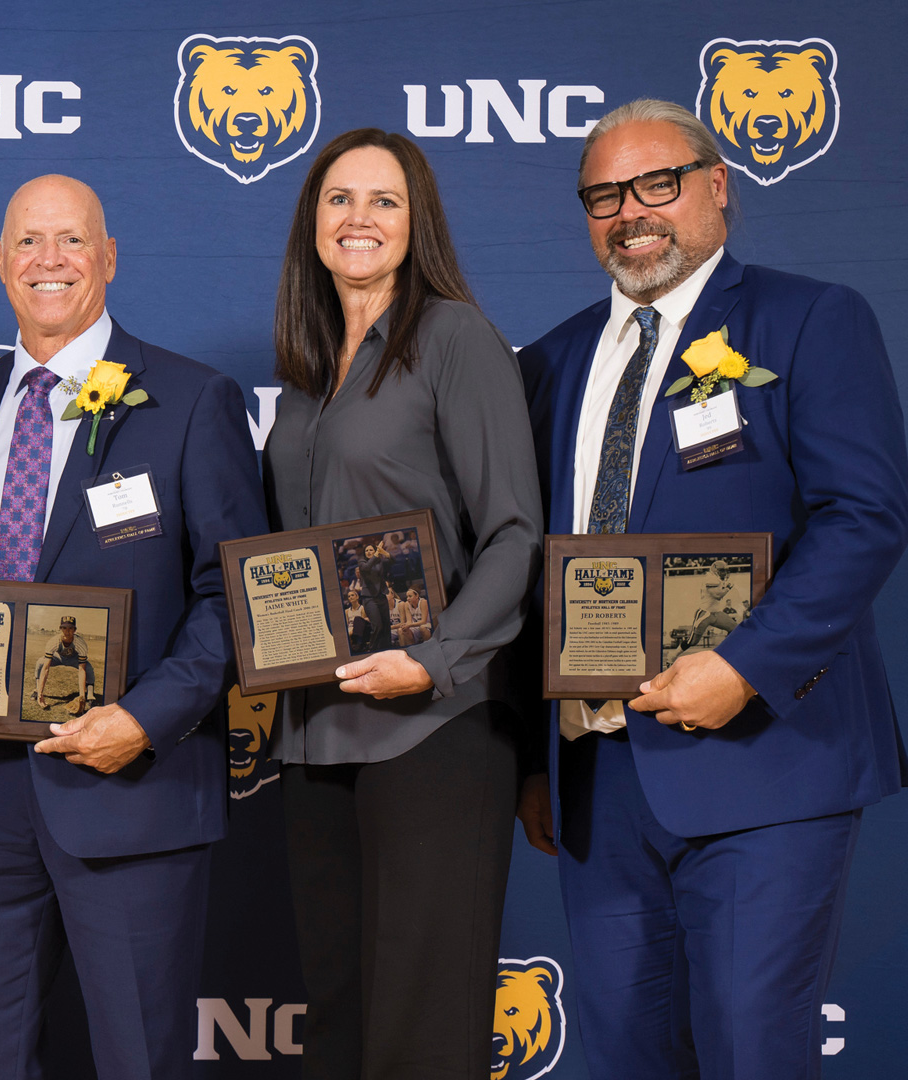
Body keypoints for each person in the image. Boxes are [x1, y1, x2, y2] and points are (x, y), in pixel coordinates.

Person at [515, 98, 908, 1080]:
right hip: (599, 783)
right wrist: (532, 757)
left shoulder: (809, 318)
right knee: (626, 1058)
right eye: (604, 194)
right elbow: (533, 572)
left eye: (657, 183)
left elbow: (865, 515)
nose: (631, 211)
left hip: (764, 762)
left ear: (717, 187)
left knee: (751, 1052)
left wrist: (743, 666)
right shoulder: (549, 363)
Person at [0, 174, 267, 1079]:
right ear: (2, 264)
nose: (50, 261)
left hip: (132, 783)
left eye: (72, 240)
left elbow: (234, 596)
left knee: (138, 1059)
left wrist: (143, 720)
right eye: (28, 243)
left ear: (109, 257)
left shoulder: (194, 400)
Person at [261, 128, 543, 1079]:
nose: (359, 219)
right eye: (340, 199)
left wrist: (434, 655)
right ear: (312, 221)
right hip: (316, 730)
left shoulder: (455, 337)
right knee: (337, 1020)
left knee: (423, 1031)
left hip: (434, 724)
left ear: (417, 219)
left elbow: (514, 535)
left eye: (384, 200)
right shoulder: (305, 371)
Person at [32, 613, 96, 715]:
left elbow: (81, 670)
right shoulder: (53, 642)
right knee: (40, 663)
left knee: (88, 667)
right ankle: (37, 690)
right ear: (60, 628)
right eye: (64, 628)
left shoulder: (80, 643)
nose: (67, 631)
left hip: (73, 659)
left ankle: (89, 696)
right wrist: (41, 693)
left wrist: (81, 695)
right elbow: (45, 669)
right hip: (58, 657)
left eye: (71, 628)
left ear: (75, 630)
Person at [354, 540, 394, 650]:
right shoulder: (361, 562)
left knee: (386, 626)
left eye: (371, 550)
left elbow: (393, 561)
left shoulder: (380, 562)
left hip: (381, 596)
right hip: (369, 599)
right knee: (378, 626)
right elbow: (367, 567)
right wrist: (377, 553)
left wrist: (384, 553)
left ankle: (387, 648)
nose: (368, 552)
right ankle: (372, 648)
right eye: (366, 550)